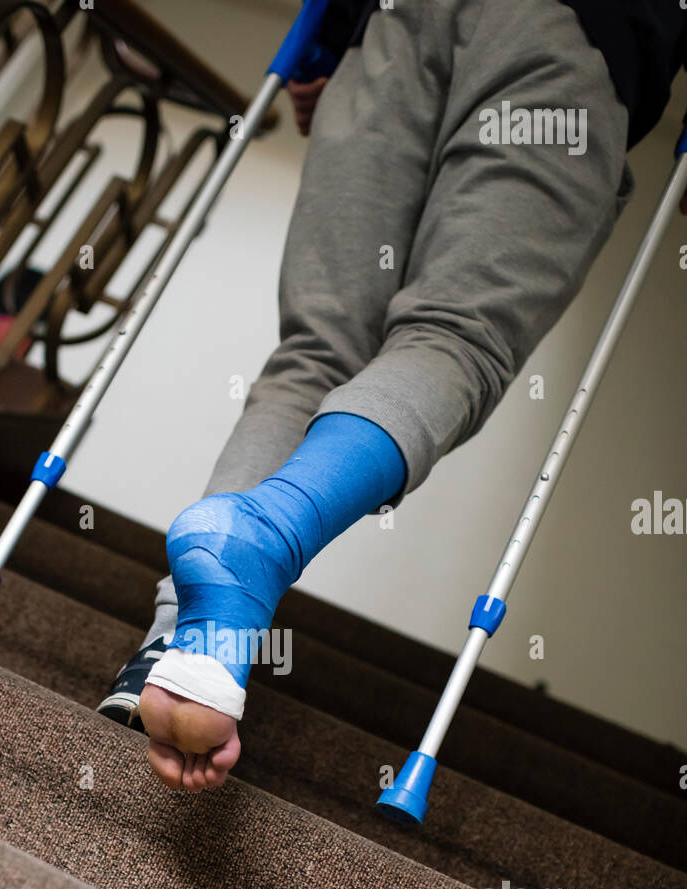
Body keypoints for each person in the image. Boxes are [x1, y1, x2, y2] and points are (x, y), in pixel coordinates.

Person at [98, 0, 687, 792]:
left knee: (315, 353)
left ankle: (182, 644)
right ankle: (261, 541)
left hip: (388, 23)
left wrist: (332, 43)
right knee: (453, 338)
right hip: (573, 29)